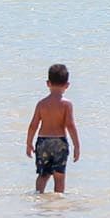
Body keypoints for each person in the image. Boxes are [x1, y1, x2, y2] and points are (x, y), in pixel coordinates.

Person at [25, 63, 81, 193]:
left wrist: (28, 143)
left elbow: (33, 125)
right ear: (67, 85)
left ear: (48, 83)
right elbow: (70, 125)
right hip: (59, 142)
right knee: (59, 176)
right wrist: (76, 146)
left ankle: (38, 196)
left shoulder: (41, 104)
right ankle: (58, 203)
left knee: (43, 174)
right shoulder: (66, 104)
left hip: (43, 142)